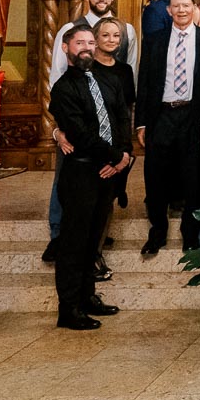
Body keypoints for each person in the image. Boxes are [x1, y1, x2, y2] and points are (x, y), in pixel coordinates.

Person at [44, 0, 137, 263]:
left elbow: (128, 81)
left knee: (103, 187)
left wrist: (124, 153)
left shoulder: (127, 32)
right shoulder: (69, 30)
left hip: (110, 136)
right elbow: (59, 80)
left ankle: (94, 237)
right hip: (78, 128)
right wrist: (59, 129)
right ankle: (59, 234)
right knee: (68, 181)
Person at [49, 25, 132, 330]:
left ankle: (87, 297)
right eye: (79, 43)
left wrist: (124, 155)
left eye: (89, 42)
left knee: (93, 240)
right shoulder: (62, 89)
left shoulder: (109, 79)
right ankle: (68, 309)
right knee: (74, 242)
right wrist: (115, 156)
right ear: (66, 48)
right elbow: (80, 133)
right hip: (82, 171)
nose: (85, 47)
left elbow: (122, 118)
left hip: (108, 171)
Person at [136, 0, 200, 256]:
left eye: (186, 5)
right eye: (176, 6)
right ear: (168, 10)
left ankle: (190, 234)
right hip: (161, 116)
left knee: (193, 177)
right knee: (155, 176)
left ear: (194, 8)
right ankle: (157, 232)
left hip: (192, 114)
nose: (181, 10)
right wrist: (141, 123)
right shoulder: (155, 40)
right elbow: (144, 81)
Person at [90, 17, 136, 278]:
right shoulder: (87, 69)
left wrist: (125, 152)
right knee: (93, 204)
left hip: (116, 147)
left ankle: (96, 254)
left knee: (107, 202)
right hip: (93, 147)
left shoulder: (124, 71)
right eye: (106, 35)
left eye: (116, 36)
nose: (111, 40)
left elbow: (125, 112)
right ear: (95, 38)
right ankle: (90, 257)